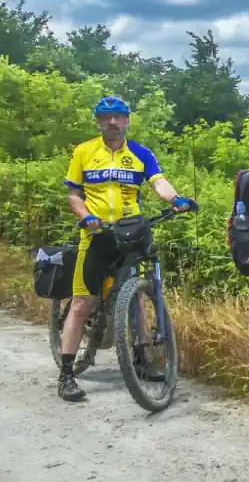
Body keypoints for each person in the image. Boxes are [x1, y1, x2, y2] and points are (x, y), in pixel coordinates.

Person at [59, 96, 197, 402]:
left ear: (126, 121)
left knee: (136, 298)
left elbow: (159, 182)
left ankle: (141, 361)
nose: (112, 122)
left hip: (131, 231)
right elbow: (74, 195)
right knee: (82, 303)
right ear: (98, 121)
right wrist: (86, 217)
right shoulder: (84, 152)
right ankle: (66, 374)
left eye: (118, 117)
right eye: (106, 117)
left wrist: (175, 200)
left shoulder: (140, 153)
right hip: (96, 235)